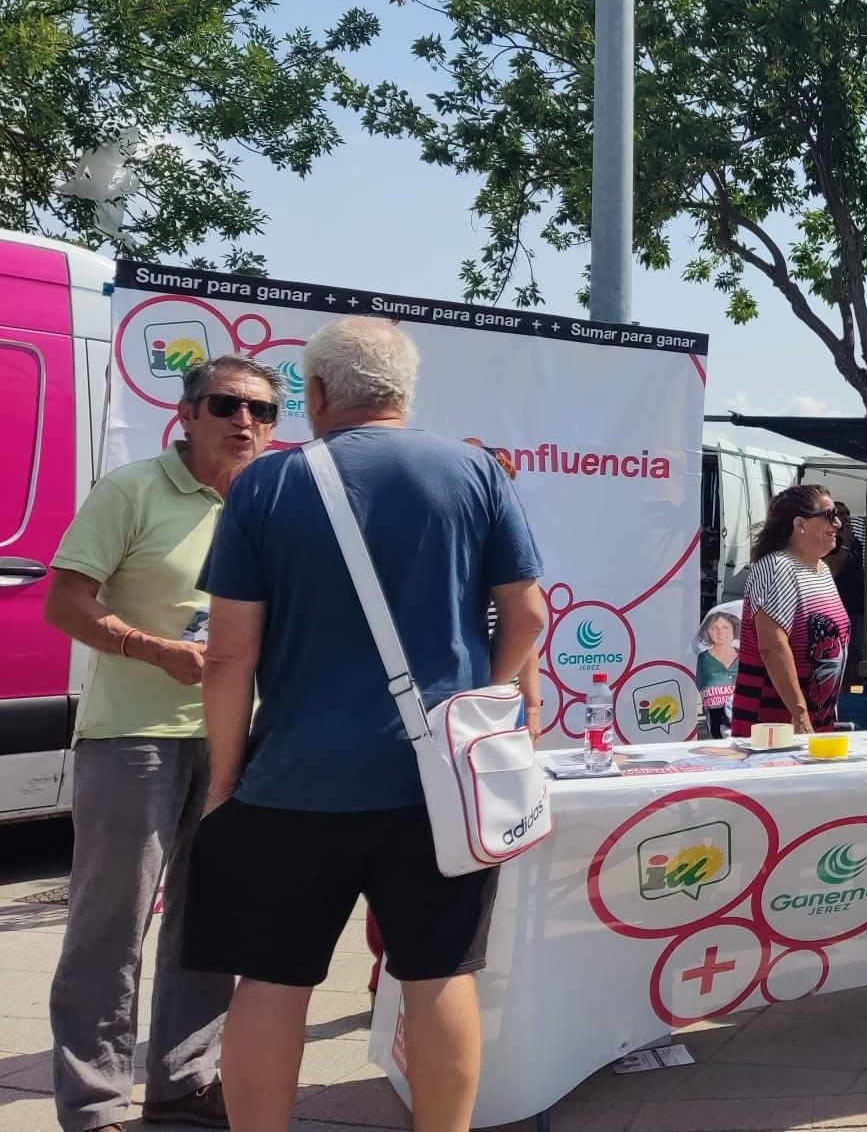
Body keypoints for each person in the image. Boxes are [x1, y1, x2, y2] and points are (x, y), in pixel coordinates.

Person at [186, 317, 547, 1132]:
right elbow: (525, 616)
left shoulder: (266, 485)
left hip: (293, 783)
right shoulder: (473, 472)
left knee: (271, 980)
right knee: (438, 974)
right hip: (437, 788)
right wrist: (478, 706)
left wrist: (224, 777)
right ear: (402, 393)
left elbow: (229, 656)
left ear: (314, 393)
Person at [42, 354, 282, 1132]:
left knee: (209, 921)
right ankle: (95, 1103)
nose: (244, 421)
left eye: (263, 410)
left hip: (232, 740)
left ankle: (182, 1083)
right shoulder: (131, 489)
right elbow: (65, 603)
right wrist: (159, 651)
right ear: (186, 414)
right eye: (225, 404)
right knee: (110, 927)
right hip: (133, 738)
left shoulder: (271, 504)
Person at [733, 485, 851, 736]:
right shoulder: (776, 568)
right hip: (775, 724)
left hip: (813, 721)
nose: (838, 523)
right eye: (829, 515)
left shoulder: (821, 570)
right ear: (801, 524)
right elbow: (772, 647)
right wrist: (800, 716)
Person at [824, 503, 865, 664]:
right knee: (838, 654)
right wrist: (845, 545)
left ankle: (852, 688)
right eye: (841, 514)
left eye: (847, 513)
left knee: (854, 653)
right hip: (836, 607)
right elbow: (833, 571)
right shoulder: (828, 542)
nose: (846, 517)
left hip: (855, 606)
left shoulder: (855, 542)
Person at [694, 604, 741, 737]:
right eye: (714, 628)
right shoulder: (702, 658)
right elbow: (698, 683)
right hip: (715, 714)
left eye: (725, 627)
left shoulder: (744, 656)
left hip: (741, 712)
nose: (720, 632)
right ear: (707, 631)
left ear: (733, 629)